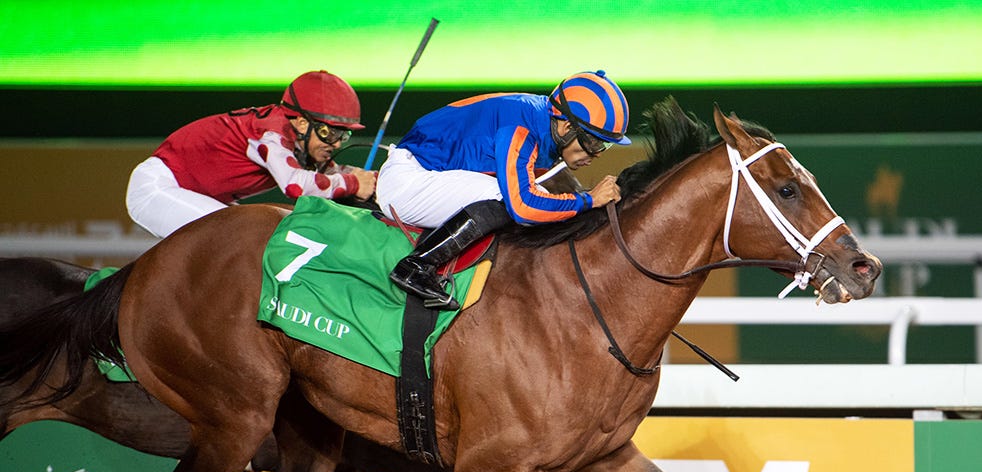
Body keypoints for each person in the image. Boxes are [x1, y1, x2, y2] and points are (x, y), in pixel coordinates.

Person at [376, 70, 630, 310]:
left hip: (427, 175)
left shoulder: (539, 121)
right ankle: (416, 265)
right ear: (567, 127)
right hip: (407, 183)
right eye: (594, 142)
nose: (597, 154)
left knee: (531, 197)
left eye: (604, 146)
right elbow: (523, 206)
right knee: (506, 197)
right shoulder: (521, 128)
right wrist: (587, 200)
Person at [126, 70, 376, 239]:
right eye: (329, 133)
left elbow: (328, 175)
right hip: (157, 189)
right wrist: (353, 183)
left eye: (343, 135)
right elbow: (296, 185)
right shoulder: (271, 135)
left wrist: (368, 179)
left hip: (195, 193)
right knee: (241, 235)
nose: (336, 143)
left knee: (260, 232)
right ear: (302, 124)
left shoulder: (296, 138)